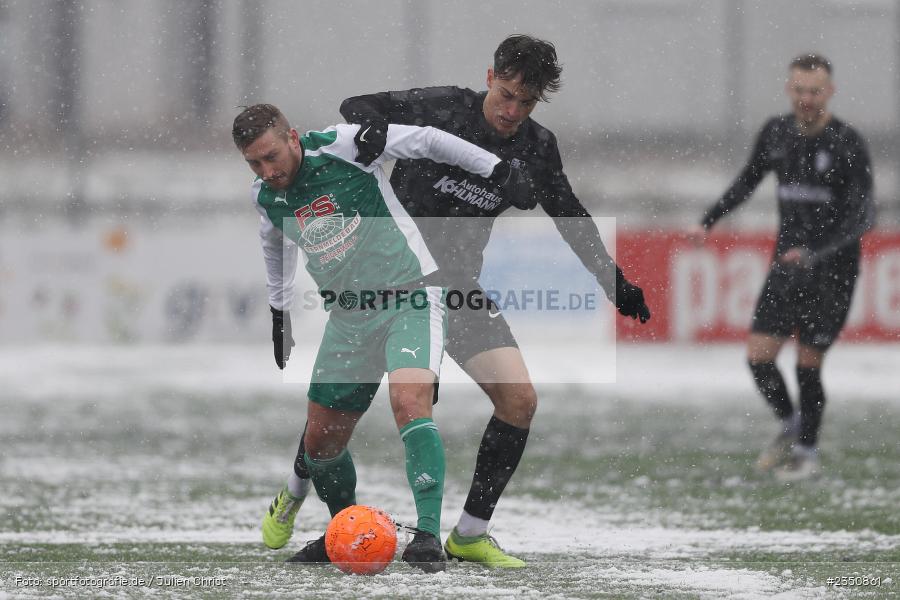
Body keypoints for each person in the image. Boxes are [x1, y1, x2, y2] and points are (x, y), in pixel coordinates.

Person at [264, 35, 651, 568]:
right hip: (393, 283)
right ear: (489, 76)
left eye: (526, 101)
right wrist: (375, 129)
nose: (513, 110)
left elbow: (570, 215)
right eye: (507, 94)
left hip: (459, 291)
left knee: (519, 401)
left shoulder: (536, 146)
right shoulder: (444, 107)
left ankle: (469, 533)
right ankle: (303, 498)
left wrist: (615, 282)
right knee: (330, 419)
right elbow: (359, 106)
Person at [233, 104, 530, 572]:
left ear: (292, 137)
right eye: (255, 163)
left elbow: (429, 138)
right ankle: (343, 532)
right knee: (321, 445)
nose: (268, 171)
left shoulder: (343, 145)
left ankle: (428, 536)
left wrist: (494, 167)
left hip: (411, 296)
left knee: (410, 401)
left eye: (271, 156)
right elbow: (275, 245)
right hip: (349, 318)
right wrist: (278, 311)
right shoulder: (265, 197)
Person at [694, 54, 875, 481]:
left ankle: (806, 455)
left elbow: (864, 216)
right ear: (788, 89)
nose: (806, 98)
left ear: (830, 91)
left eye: (815, 91)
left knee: (807, 364)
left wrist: (815, 251)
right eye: (799, 90)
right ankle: (794, 424)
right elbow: (747, 180)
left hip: (833, 273)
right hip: (787, 270)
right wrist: (708, 219)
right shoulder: (776, 133)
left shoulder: (847, 143)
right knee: (758, 358)